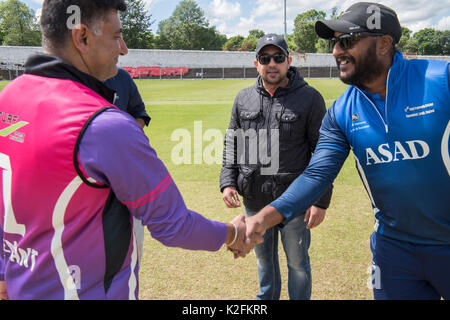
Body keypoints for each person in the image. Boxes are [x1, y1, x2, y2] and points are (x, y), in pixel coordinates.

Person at [0, 0, 255, 300]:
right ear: (82, 37)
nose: (123, 49)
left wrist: (5, 274)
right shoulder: (105, 126)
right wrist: (233, 233)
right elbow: (173, 224)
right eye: (116, 36)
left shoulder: (9, 97)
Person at [245, 2, 450, 300]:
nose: (336, 51)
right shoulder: (341, 111)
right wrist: (262, 218)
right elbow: (316, 175)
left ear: (383, 43)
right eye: (334, 42)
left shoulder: (441, 80)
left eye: (348, 40)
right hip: (394, 251)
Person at [220, 34, 333, 300]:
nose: (272, 64)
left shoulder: (310, 98)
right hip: (255, 198)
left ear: (288, 61)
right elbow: (232, 142)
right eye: (265, 58)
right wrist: (228, 181)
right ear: (256, 63)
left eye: (278, 58)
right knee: (263, 262)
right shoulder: (243, 98)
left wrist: (321, 201)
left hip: (295, 200)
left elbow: (325, 153)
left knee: (297, 265)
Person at [104, 68, 151, 265]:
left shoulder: (121, 77)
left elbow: (139, 112)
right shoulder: (65, 80)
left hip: (124, 181)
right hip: (83, 185)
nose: (123, 48)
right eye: (115, 37)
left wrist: (126, 134)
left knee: (130, 256)